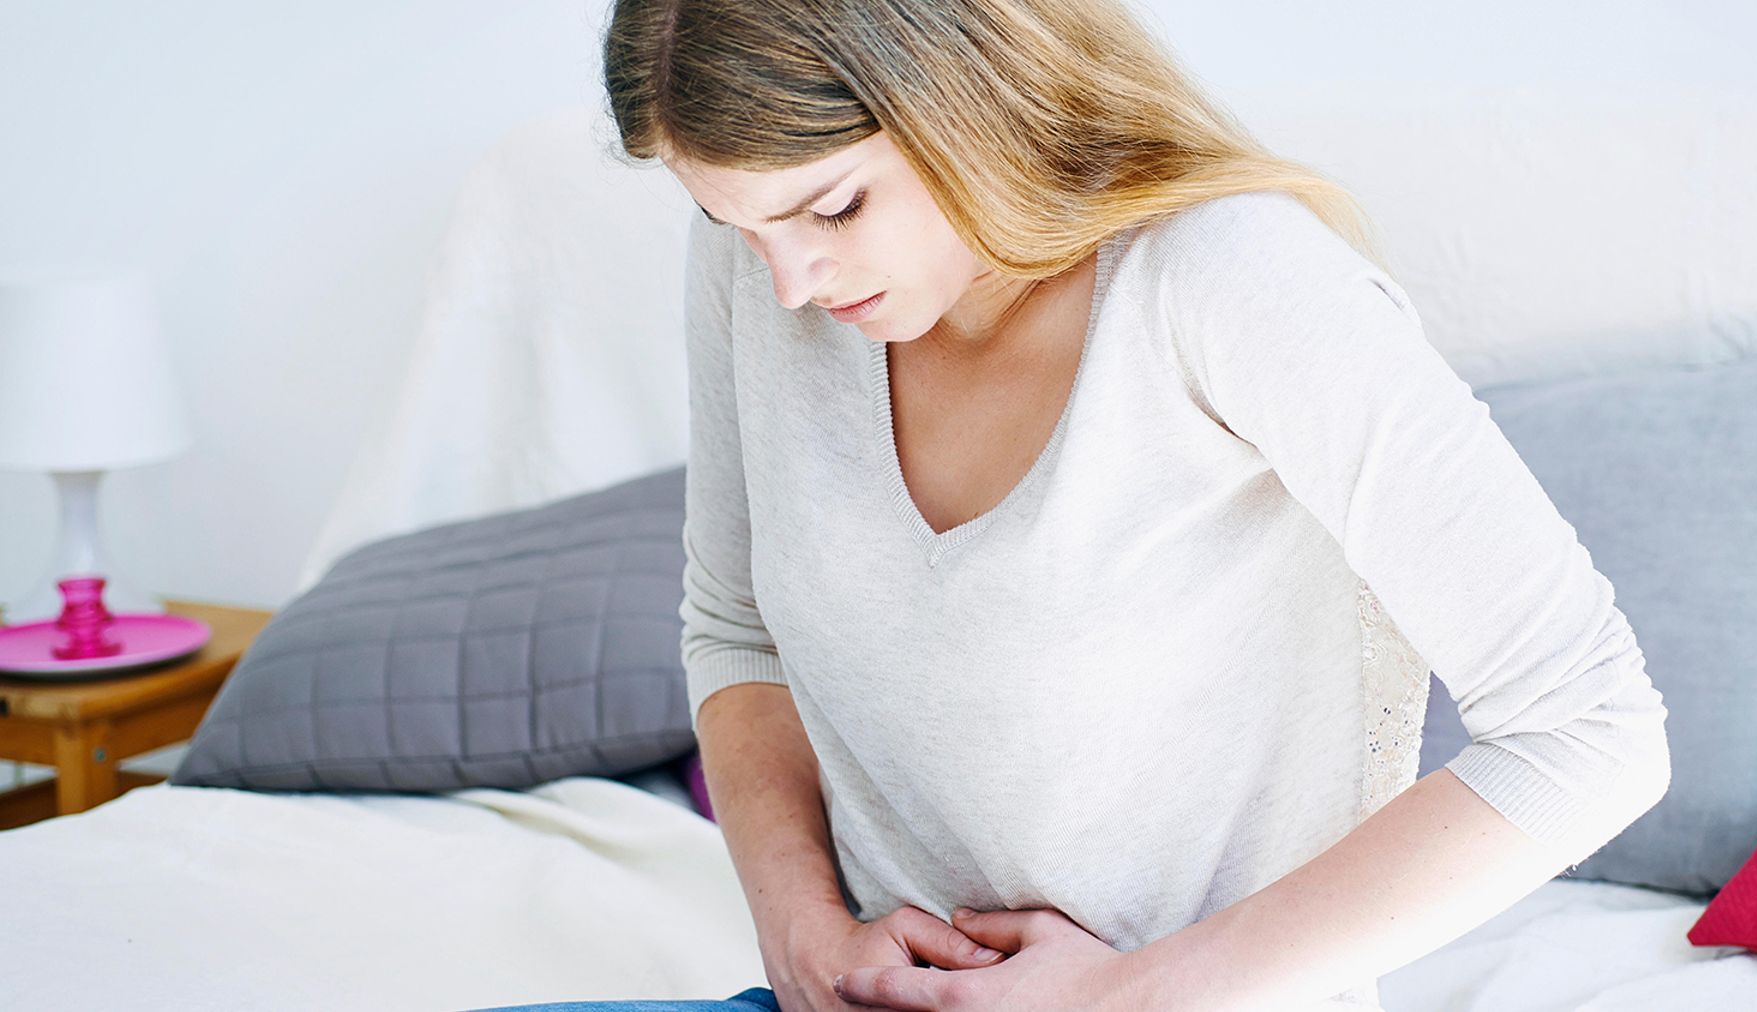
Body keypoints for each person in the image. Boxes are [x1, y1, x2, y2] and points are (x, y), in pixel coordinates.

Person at [476, 1, 1672, 1009]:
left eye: (833, 209)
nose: (790, 280)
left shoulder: (1229, 278)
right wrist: (803, 933)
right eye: (735, 223)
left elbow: (1591, 731)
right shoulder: (762, 269)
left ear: (964, 99)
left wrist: (1129, 994)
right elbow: (737, 627)